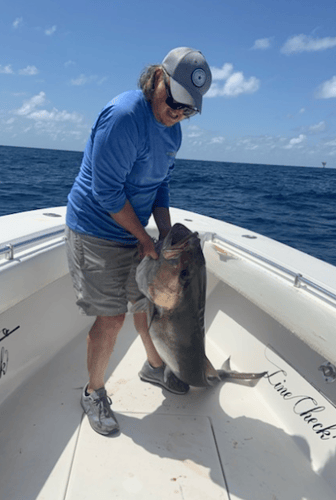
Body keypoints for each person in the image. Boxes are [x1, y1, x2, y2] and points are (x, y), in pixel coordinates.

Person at [65, 47, 212, 436]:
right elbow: (107, 193)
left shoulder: (172, 131)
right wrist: (145, 241)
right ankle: (93, 391)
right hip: (95, 229)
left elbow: (160, 184)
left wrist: (163, 235)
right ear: (157, 79)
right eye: (175, 101)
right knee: (112, 317)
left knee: (144, 303)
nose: (178, 112)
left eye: (189, 109)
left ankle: (154, 366)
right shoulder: (125, 116)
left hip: (135, 231)